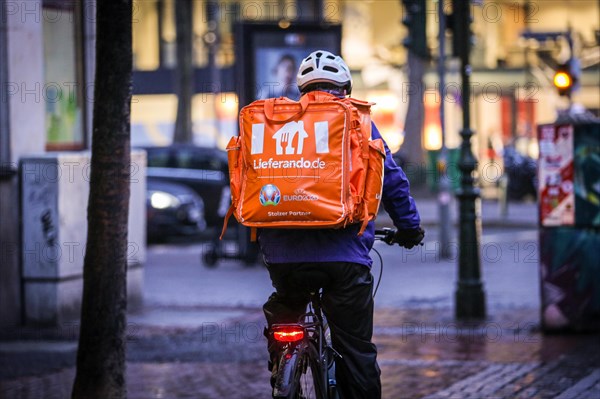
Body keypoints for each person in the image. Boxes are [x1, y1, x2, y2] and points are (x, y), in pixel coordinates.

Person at [259, 50, 424, 399]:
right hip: (344, 259)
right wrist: (409, 228)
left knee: (285, 309)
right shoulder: (357, 121)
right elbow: (391, 181)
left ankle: (282, 362)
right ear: (345, 88)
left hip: (283, 257)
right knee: (355, 350)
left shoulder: (276, 122)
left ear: (301, 88)